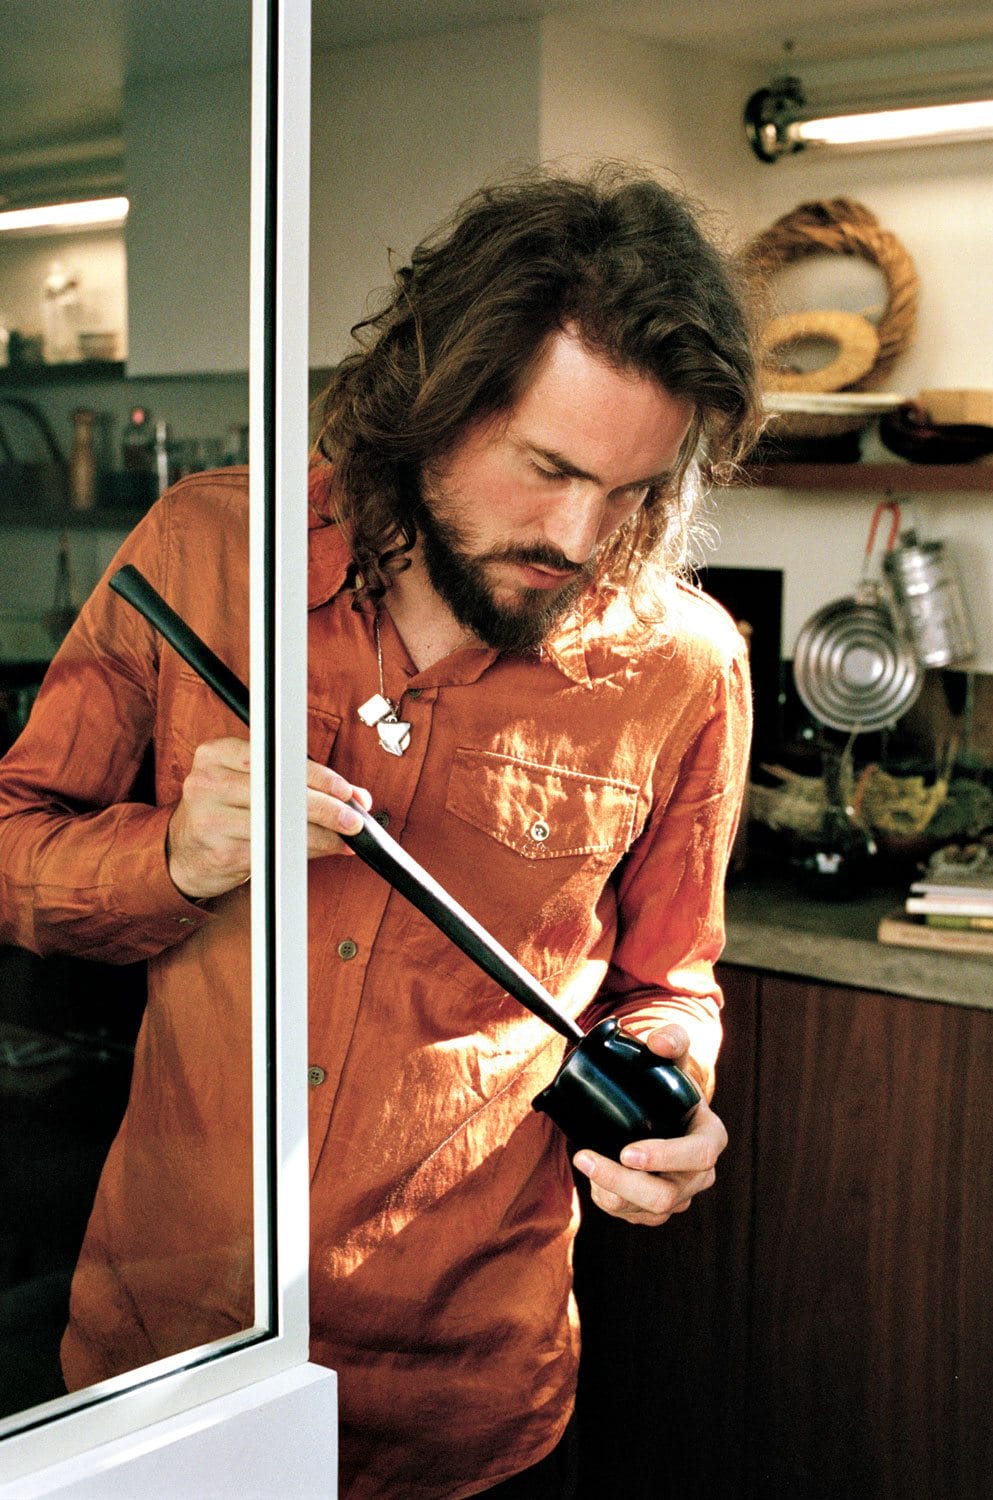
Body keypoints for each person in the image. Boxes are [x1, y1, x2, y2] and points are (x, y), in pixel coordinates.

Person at [0, 165, 760, 1497]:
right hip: (169, 1353)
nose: (582, 536)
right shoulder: (207, 554)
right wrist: (175, 858)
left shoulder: (682, 665)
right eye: (549, 470)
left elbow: (664, 979)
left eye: (635, 492)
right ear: (428, 401)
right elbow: (11, 848)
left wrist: (666, 1095)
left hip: (460, 1397)